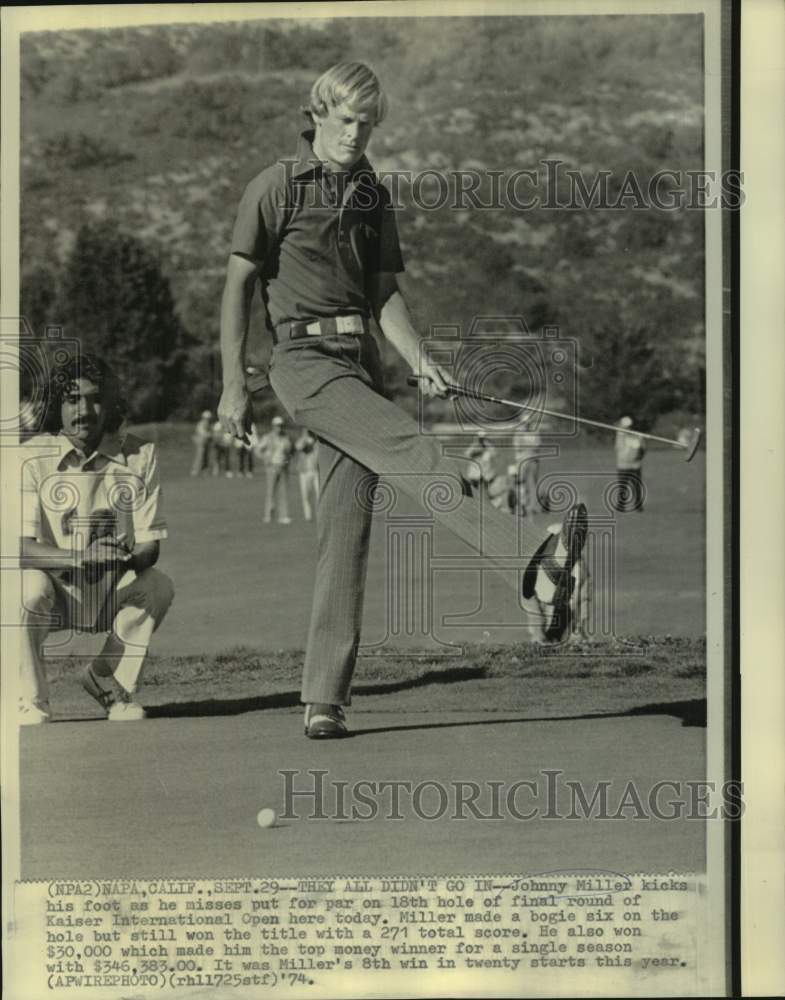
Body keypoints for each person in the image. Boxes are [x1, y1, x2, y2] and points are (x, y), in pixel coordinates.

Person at [218, 61, 588, 738]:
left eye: (368, 122)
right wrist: (233, 386)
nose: (357, 133)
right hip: (301, 363)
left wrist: (420, 361)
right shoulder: (273, 187)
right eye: (346, 119)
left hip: (361, 363)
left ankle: (322, 698)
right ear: (317, 112)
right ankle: (532, 566)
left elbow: (383, 293)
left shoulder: (371, 194)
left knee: (345, 530)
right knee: (414, 450)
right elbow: (237, 285)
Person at [18, 354, 174, 725]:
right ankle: (31, 699)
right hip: (54, 593)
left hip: (107, 587)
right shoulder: (31, 456)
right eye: (72, 399)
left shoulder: (141, 455)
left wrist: (121, 560)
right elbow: (19, 547)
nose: (84, 410)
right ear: (58, 406)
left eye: (94, 398)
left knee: (158, 586)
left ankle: (110, 684)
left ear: (111, 403)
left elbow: (150, 546)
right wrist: (79, 557)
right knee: (24, 588)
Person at [254, 416, 294, 524]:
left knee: (283, 491)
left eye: (281, 425)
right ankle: (268, 515)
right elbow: (257, 450)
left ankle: (283, 516)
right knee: (271, 491)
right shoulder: (268, 437)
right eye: (277, 425)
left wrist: (288, 459)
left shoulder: (286, 437)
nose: (279, 427)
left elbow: (291, 451)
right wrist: (266, 459)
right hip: (272, 467)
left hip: (283, 466)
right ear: (273, 426)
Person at [614, 416, 646, 512]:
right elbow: (617, 428)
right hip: (623, 465)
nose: (625, 428)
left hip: (635, 465)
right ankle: (621, 505)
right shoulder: (620, 435)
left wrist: (639, 456)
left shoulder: (638, 436)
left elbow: (643, 449)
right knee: (622, 486)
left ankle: (638, 506)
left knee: (636, 486)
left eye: (627, 427)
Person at [295, 428, 320, 522]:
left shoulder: (317, 442)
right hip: (304, 471)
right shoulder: (302, 440)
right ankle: (308, 515)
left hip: (316, 471)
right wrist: (305, 437)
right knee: (305, 495)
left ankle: (319, 515)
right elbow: (298, 447)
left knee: (319, 494)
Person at [190, 409, 213, 476]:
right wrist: (210, 434)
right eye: (207, 418)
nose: (208, 420)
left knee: (206, 457)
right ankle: (195, 470)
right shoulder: (201, 424)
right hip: (200, 443)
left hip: (206, 442)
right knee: (199, 456)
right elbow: (202, 433)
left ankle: (205, 470)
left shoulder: (208, 424)